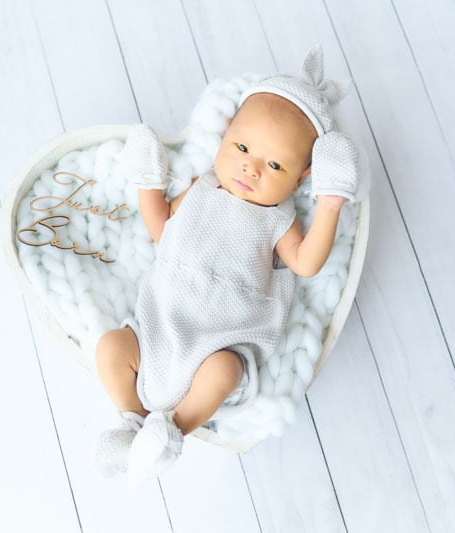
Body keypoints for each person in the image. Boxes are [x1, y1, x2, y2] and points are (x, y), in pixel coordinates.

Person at [94, 47, 360, 485]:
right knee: (111, 347)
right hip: (159, 328)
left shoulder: (279, 218)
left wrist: (331, 204)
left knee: (226, 371)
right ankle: (132, 421)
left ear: (301, 178)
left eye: (275, 164)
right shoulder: (202, 189)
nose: (251, 168)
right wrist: (148, 183)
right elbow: (163, 229)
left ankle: (171, 432)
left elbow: (307, 263)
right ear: (225, 134)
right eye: (242, 147)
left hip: (217, 342)